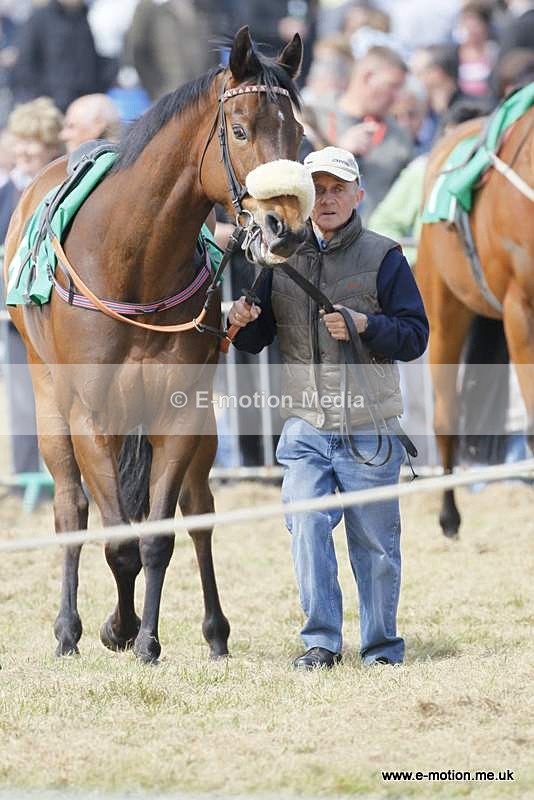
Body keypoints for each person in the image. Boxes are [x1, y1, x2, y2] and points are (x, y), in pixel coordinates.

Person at [228, 146, 429, 669]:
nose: (329, 199)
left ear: (358, 194)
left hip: (370, 426)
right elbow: (257, 339)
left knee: (375, 546)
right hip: (305, 427)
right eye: (319, 189)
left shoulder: (386, 256)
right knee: (306, 530)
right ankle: (321, 643)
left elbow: (415, 336)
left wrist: (366, 326)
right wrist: (242, 321)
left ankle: (381, 649)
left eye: (339, 188)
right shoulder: (278, 258)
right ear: (304, 198)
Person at [0, 97, 64, 479]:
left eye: (34, 142)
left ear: (51, 146)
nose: (24, 150)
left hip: (57, 308)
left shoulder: (63, 187)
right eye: (20, 140)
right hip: (13, 308)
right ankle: (25, 476)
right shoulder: (4, 192)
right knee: (21, 396)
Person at [312, 45, 412, 220]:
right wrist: (339, 152)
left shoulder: (399, 139)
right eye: (392, 86)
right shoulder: (314, 117)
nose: (397, 97)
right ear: (367, 77)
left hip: (372, 232)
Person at [10, 0, 106, 112]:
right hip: (50, 105)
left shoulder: (85, 17)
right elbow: (25, 64)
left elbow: (93, 61)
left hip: (82, 104)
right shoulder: (40, 18)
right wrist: (37, 101)